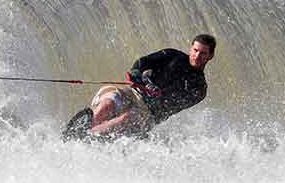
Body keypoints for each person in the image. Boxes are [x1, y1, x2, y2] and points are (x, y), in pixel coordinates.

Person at [62, 34, 216, 141]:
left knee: (130, 116)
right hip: (133, 92)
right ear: (191, 49)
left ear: (210, 56)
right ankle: (79, 133)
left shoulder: (200, 88)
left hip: (149, 114)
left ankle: (88, 138)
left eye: (203, 53)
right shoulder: (172, 55)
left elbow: (169, 106)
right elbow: (141, 63)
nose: (197, 55)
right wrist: (137, 75)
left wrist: (156, 92)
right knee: (108, 103)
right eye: (195, 50)